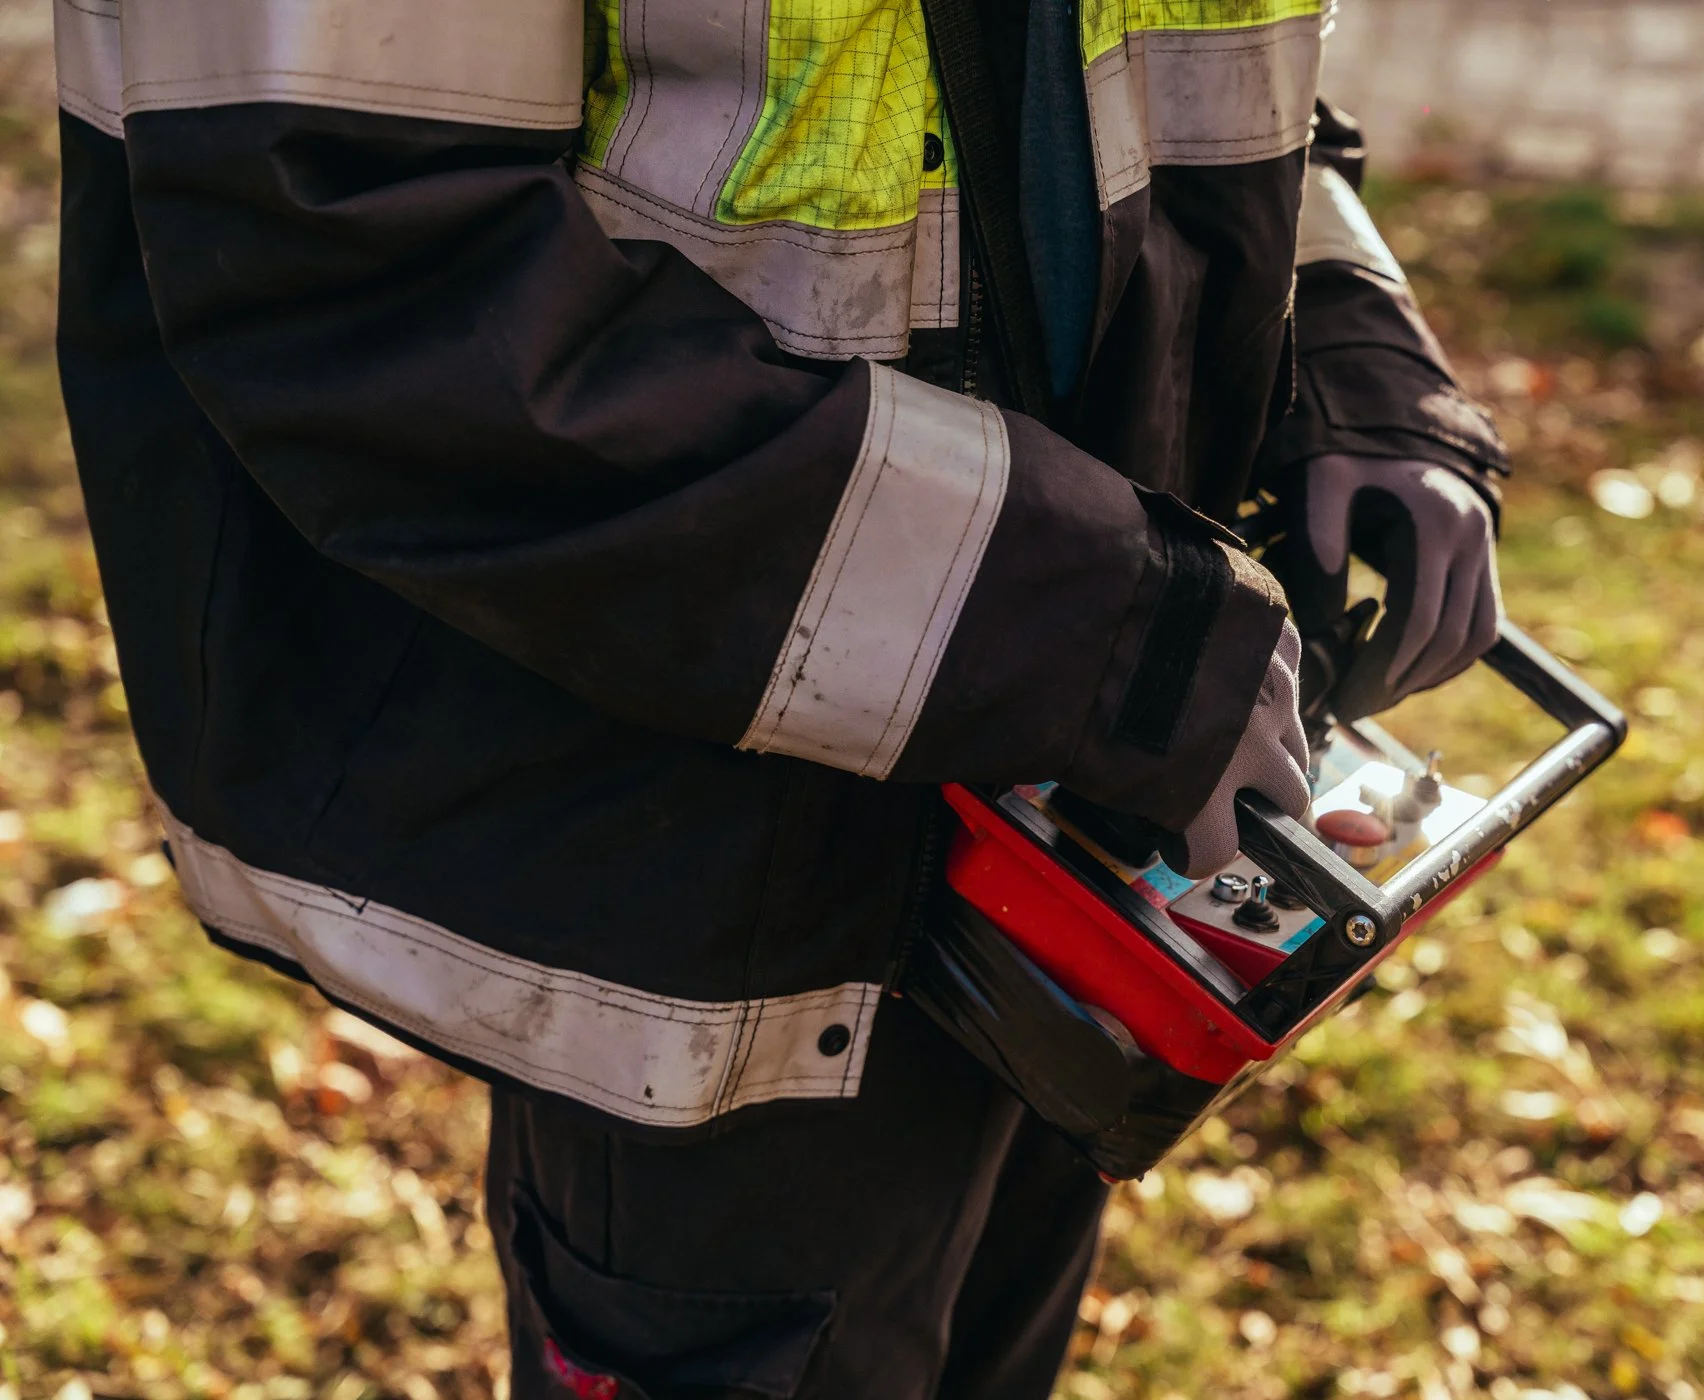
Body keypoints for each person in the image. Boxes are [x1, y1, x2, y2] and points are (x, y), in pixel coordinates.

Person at [52, 0, 1507, 1393]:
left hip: (1082, 806)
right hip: (715, 833)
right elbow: (357, 270)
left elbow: (1136, 59)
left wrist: (1339, 335)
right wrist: (1082, 624)